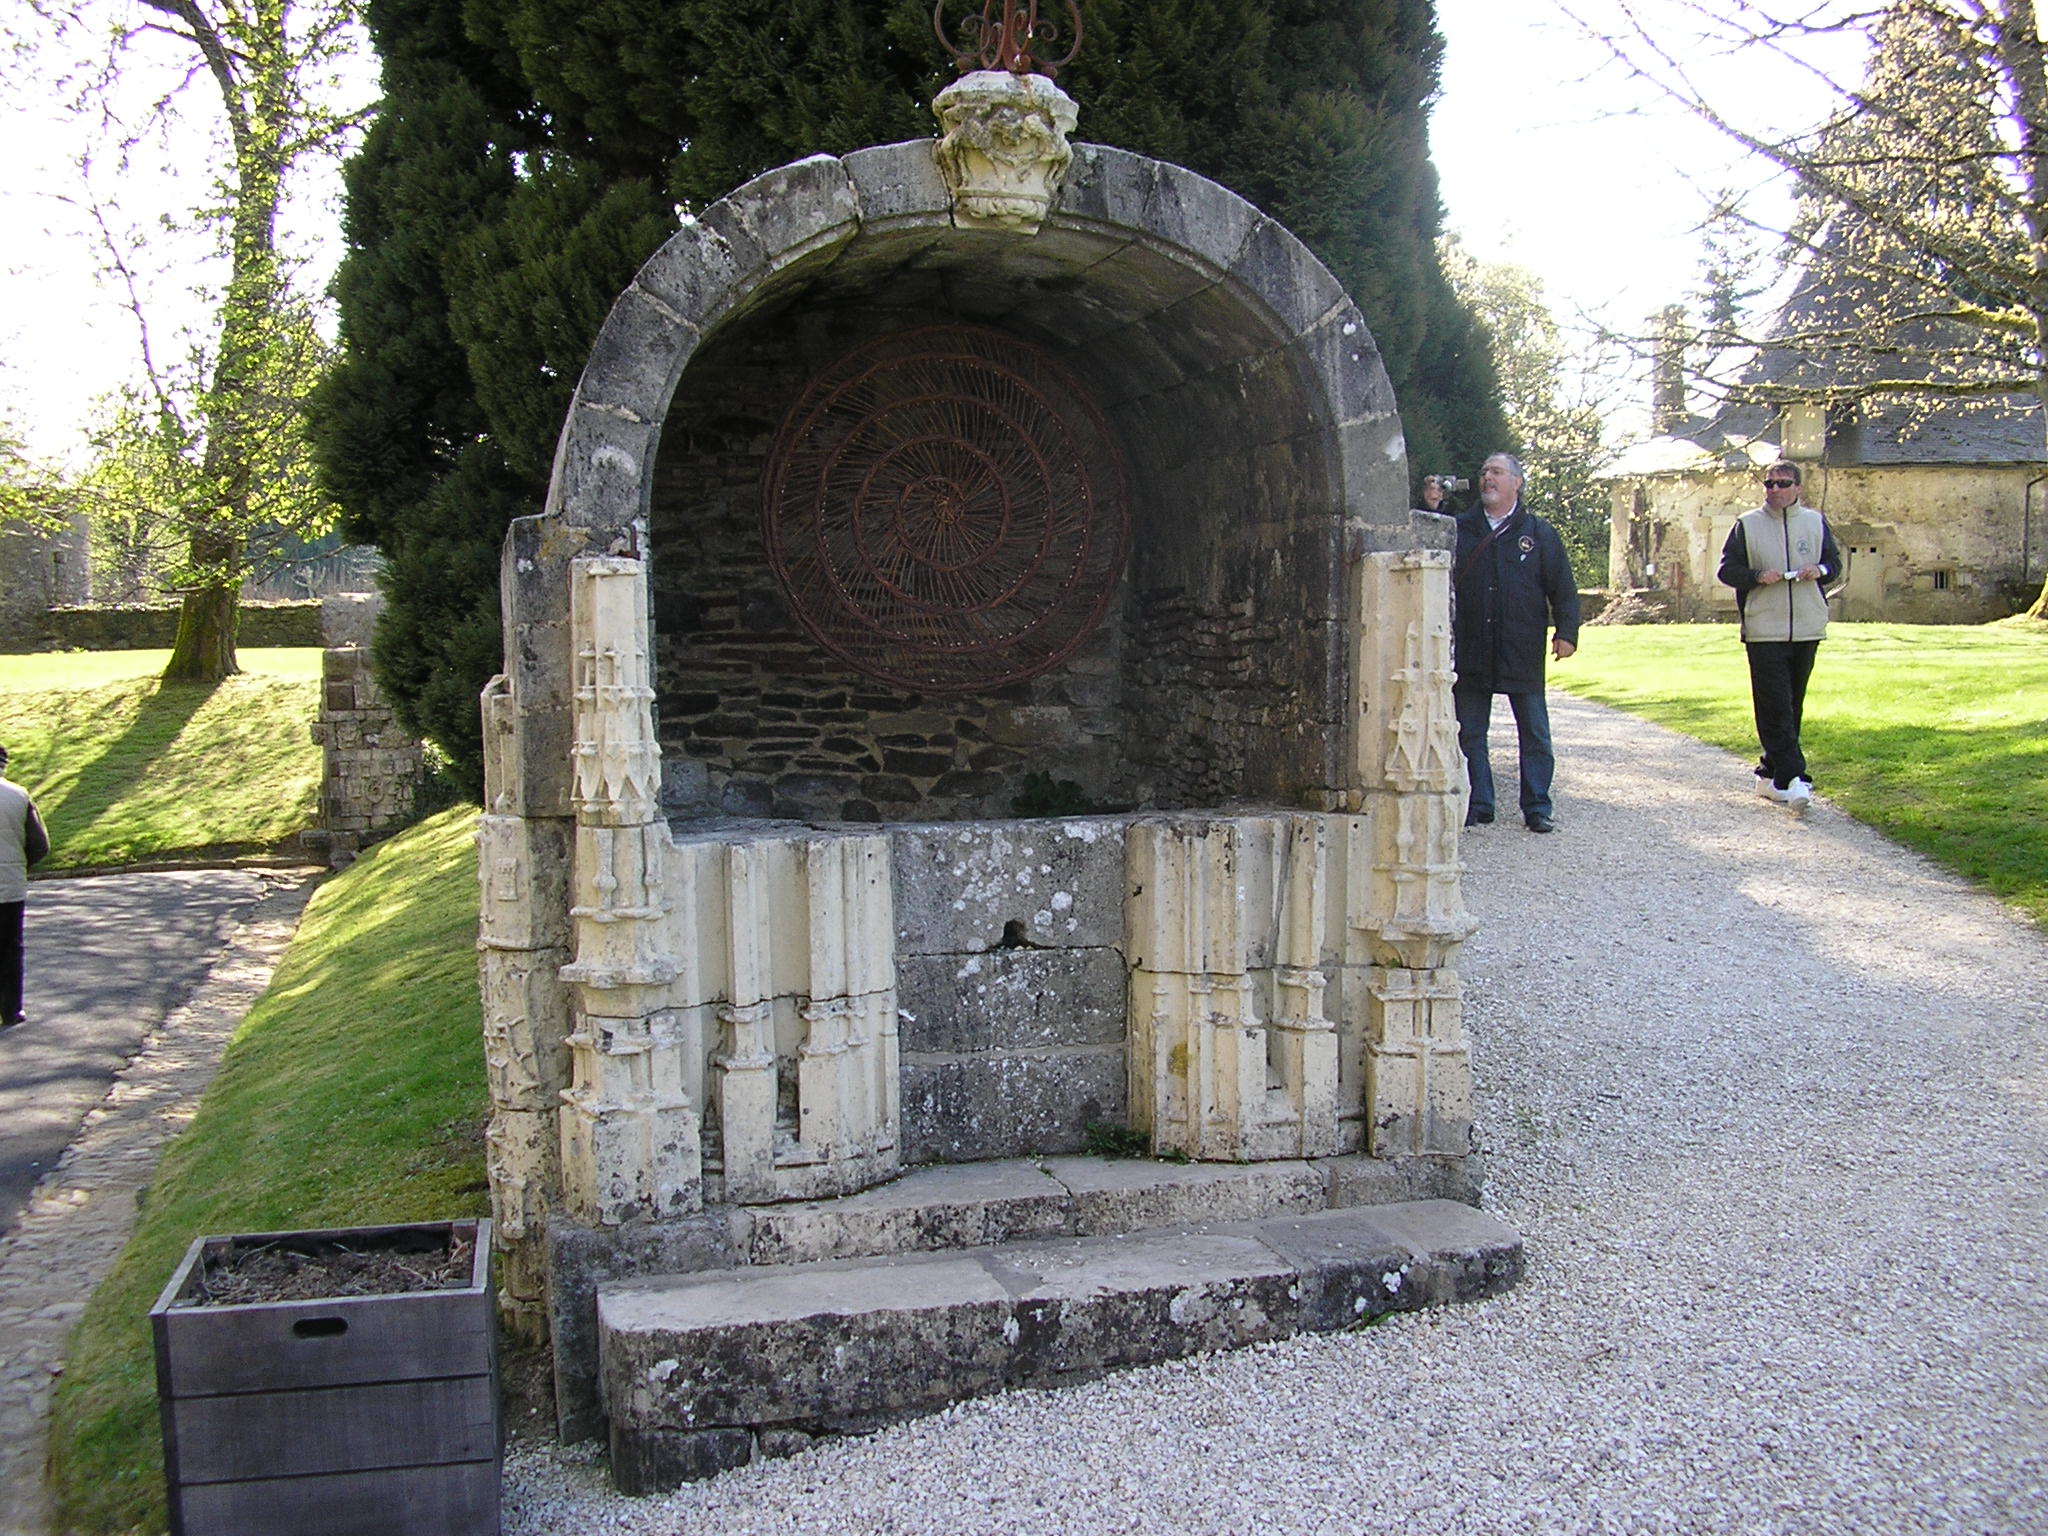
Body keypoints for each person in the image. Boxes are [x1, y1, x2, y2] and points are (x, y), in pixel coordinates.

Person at [1451, 453, 1581, 833]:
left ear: (1516, 482)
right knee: (1470, 730)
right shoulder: (1460, 529)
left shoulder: (1539, 533)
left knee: (1535, 732)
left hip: (1520, 648)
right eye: (1484, 471)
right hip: (1472, 647)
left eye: (1496, 472)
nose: (1487, 478)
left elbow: (1563, 588)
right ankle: (1479, 802)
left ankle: (1537, 805)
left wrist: (1567, 633)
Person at [1716, 460, 1842, 809]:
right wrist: (1757, 576)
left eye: (1782, 483)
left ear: (1798, 488)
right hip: (1764, 628)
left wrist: (1819, 570)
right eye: (1769, 483)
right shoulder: (1747, 525)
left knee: (1791, 703)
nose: (1774, 489)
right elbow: (1727, 570)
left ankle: (1769, 773)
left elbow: (1834, 565)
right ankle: (1796, 777)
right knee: (1773, 703)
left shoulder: (1815, 522)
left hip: (1807, 626)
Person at [0, 745, 50, 1028]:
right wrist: (18, 865)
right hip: (10, 885)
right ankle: (11, 1010)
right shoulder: (19, 796)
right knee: (10, 948)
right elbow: (40, 845)